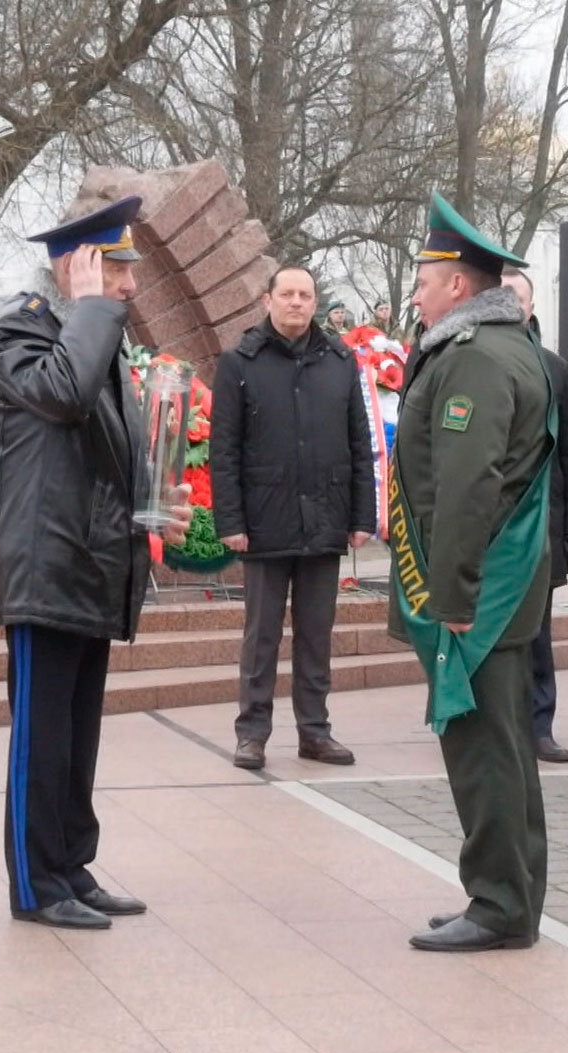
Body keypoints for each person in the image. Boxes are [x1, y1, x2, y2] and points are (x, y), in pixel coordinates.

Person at [0, 196, 192, 930]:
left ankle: (71, 864)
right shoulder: (20, 332)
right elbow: (61, 396)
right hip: (43, 567)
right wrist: (89, 306)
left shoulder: (92, 340)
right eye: (118, 268)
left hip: (90, 561)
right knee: (41, 737)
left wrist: (155, 502)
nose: (130, 286)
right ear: (82, 267)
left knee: (77, 733)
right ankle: (35, 884)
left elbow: (102, 451)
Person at [392, 194, 552, 953]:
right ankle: (507, 892)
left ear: (457, 283)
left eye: (424, 276)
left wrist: (450, 595)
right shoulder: (494, 345)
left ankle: (498, 905)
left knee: (486, 746)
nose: (416, 289)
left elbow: (465, 486)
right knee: (504, 744)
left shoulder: (478, 358)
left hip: (478, 590)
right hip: (494, 583)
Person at [212, 264, 376, 771]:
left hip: (324, 519)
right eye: (287, 294)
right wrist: (231, 522)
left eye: (305, 295)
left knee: (316, 634)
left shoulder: (340, 361)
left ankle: (314, 730)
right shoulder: (239, 362)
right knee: (261, 634)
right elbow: (224, 450)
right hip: (264, 521)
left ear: (315, 302)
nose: (297, 303)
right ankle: (253, 733)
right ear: (268, 300)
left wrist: (362, 516)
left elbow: (359, 444)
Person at [501, 267, 568, 764]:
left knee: (537, 634)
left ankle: (539, 726)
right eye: (503, 295)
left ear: (532, 307)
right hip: (489, 528)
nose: (512, 305)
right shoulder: (469, 361)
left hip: (542, 525)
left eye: (519, 297)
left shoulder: (556, 369)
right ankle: (488, 723)